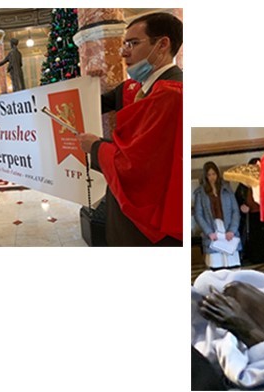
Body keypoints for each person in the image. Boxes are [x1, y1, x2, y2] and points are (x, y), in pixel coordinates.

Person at [79, 12, 183, 246]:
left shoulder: (171, 94)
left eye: (133, 43)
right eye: (124, 44)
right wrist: (87, 84)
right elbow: (97, 104)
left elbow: (133, 167)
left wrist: (94, 147)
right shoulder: (140, 87)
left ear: (162, 44)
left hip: (147, 228)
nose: (124, 52)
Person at [193, 162, 241, 270]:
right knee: (216, 263)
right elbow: (198, 214)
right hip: (212, 228)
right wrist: (209, 232)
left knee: (232, 262)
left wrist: (232, 230)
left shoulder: (226, 189)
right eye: (209, 175)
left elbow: (235, 211)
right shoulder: (201, 193)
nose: (211, 177)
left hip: (227, 226)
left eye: (213, 174)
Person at [234, 157, 264, 264]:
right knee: (255, 239)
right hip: (251, 217)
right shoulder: (243, 185)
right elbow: (237, 200)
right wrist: (242, 207)